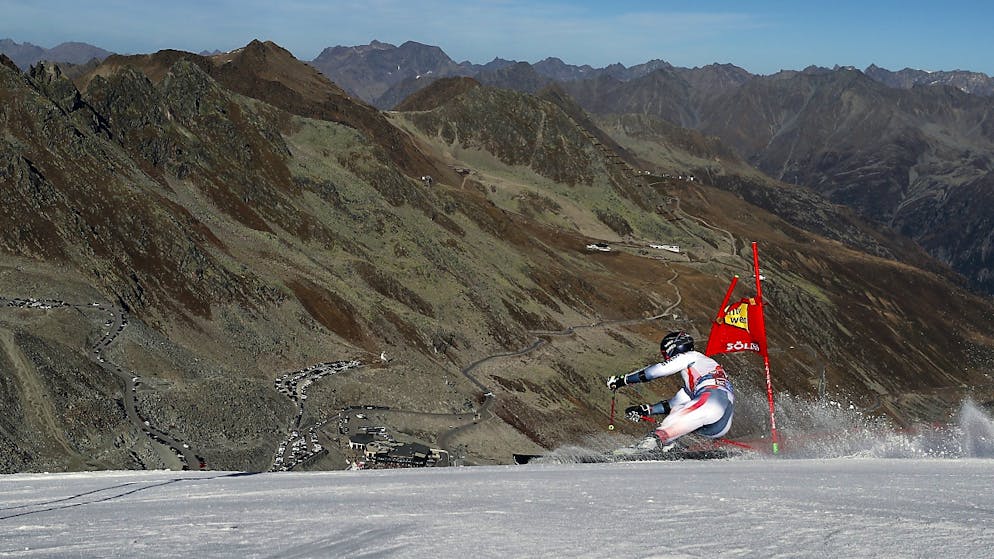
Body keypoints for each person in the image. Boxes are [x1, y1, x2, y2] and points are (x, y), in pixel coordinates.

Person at [606, 331, 734, 451]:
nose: (666, 358)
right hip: (722, 421)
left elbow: (654, 372)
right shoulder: (705, 367)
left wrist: (622, 380)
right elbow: (675, 403)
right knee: (678, 411)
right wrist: (646, 409)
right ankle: (677, 446)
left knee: (673, 420)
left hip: (711, 402)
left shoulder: (689, 356)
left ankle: (648, 445)